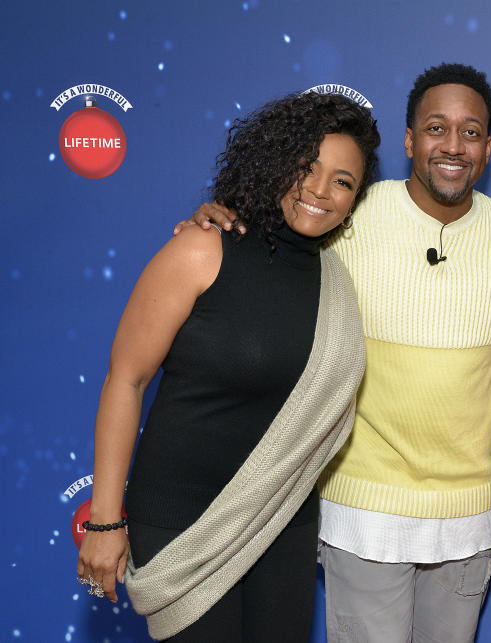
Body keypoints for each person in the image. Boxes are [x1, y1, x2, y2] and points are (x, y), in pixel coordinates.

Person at [181, 64, 491, 642]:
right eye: (437, 128)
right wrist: (223, 220)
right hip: (364, 508)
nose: (453, 146)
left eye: (470, 132)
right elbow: (279, 248)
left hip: (470, 512)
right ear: (410, 139)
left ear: (488, 148)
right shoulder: (352, 214)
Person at [76, 92, 379, 641]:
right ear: (274, 160)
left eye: (342, 181)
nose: (319, 190)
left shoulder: (338, 282)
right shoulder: (203, 249)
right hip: (180, 519)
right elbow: (126, 379)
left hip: (282, 520)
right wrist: (104, 517)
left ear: (355, 199)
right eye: (306, 167)